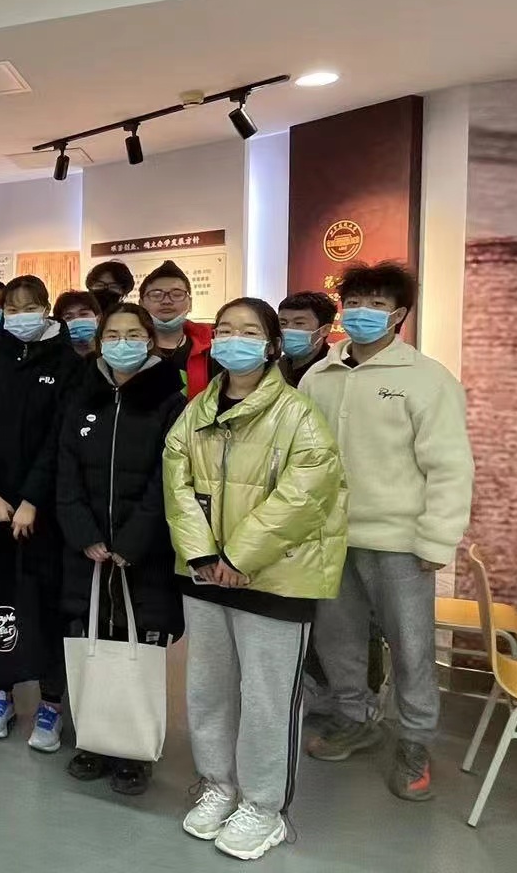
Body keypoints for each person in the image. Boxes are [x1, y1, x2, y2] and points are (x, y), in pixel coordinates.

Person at [164, 297, 347, 861]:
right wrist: (202, 554)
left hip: (275, 579)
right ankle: (218, 784)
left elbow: (306, 494)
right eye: (224, 330)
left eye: (248, 331)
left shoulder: (298, 414)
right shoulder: (196, 411)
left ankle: (265, 807)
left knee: (268, 699)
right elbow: (176, 481)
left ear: (271, 345)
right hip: (204, 575)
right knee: (208, 690)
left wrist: (240, 556)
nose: (233, 340)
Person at [301, 262, 473, 802]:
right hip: (331, 538)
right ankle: (354, 719)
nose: (361, 312)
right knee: (338, 640)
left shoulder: (427, 378)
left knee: (411, 647)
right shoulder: (319, 375)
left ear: (398, 315)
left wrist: (437, 539)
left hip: (400, 543)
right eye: (353, 302)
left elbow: (450, 466)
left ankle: (415, 740)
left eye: (375, 304)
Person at [54, 303, 185, 794]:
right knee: (91, 638)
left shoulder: (170, 400)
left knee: (138, 643)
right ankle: (92, 739)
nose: (122, 343)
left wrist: (133, 540)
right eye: (113, 334)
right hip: (86, 550)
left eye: (133, 334)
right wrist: (83, 532)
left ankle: (133, 750)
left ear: (150, 341)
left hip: (143, 551)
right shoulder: (82, 394)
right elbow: (66, 469)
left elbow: (169, 478)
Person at [0, 274, 80, 749]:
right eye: (11, 308)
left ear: (47, 308)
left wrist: (32, 499)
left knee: (49, 603)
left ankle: (51, 703)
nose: (18, 316)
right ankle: (2, 693)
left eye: (29, 307)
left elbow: (61, 438)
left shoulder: (69, 362)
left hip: (44, 511)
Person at [140, 260, 214, 400]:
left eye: (177, 294)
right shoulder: (128, 348)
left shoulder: (213, 347)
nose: (166, 301)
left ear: (190, 303)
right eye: (156, 294)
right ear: (141, 304)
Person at [276, 290, 336, 387]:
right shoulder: (274, 369)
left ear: (324, 330)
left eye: (299, 323)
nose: (288, 329)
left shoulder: (336, 370)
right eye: (283, 323)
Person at [54, 289, 102, 358]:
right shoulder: (53, 358)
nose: (77, 320)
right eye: (68, 317)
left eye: (83, 314)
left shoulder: (110, 355)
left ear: (98, 319)